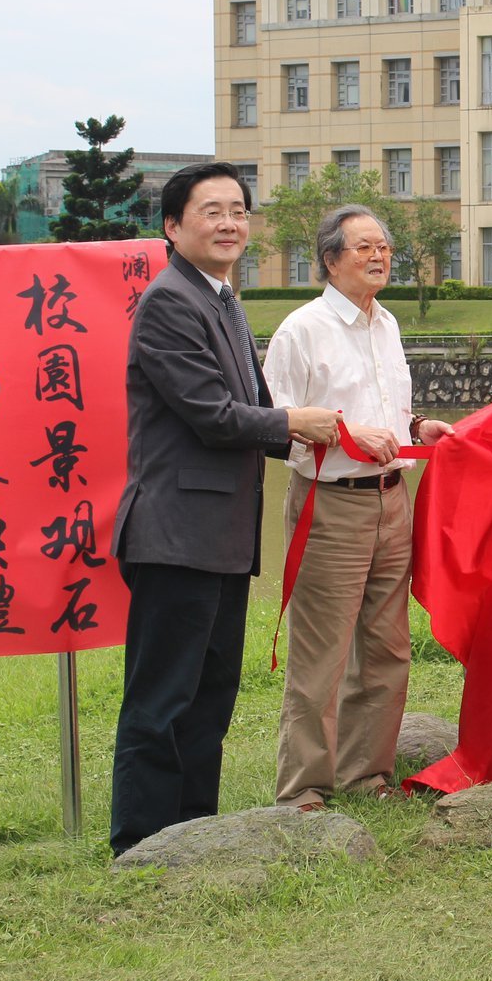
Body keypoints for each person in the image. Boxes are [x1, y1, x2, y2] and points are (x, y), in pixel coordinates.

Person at [109, 162, 338, 857]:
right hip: (174, 534)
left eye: (239, 209)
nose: (231, 222)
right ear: (173, 227)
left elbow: (253, 408)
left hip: (222, 534)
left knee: (211, 694)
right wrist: (294, 422)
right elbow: (212, 416)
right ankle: (142, 845)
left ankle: (192, 833)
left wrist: (322, 428)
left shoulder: (222, 298)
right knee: (162, 700)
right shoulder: (170, 302)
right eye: (212, 211)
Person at [263, 205, 454, 811]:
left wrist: (420, 425)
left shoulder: (386, 323)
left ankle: (366, 774)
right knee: (322, 652)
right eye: (365, 247)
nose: (379, 257)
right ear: (330, 259)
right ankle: (303, 790)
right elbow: (277, 426)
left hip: (392, 499)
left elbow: (389, 411)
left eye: (386, 248)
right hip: (332, 506)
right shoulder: (302, 330)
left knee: (387, 646)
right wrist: (344, 434)